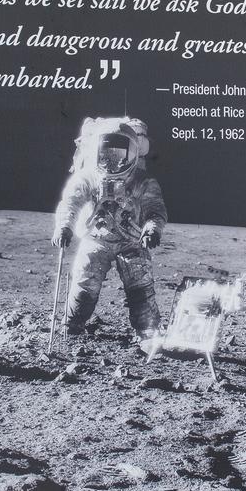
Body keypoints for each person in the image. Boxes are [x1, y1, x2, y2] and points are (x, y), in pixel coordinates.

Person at [52, 116, 166, 345]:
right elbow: (71, 202)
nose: (113, 159)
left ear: (133, 153)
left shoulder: (143, 181)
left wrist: (152, 230)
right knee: (85, 280)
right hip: (97, 239)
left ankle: (148, 332)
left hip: (133, 240)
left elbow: (155, 210)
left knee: (140, 285)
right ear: (97, 151)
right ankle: (72, 324)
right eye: (107, 153)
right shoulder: (88, 177)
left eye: (120, 153)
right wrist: (64, 226)